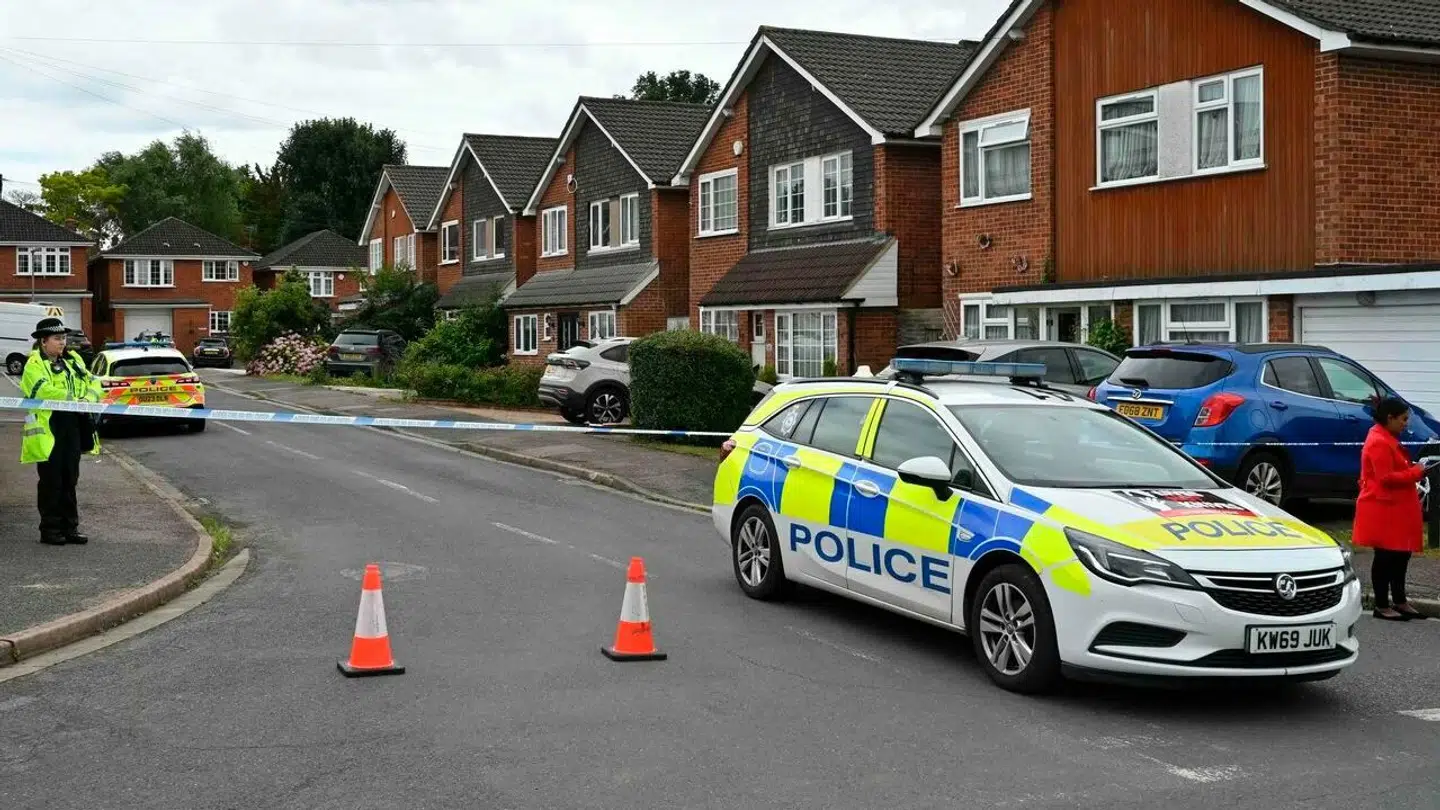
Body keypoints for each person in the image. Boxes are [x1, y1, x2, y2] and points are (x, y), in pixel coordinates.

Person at [1352, 396, 1439, 620]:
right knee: (1385, 557)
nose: (1406, 423)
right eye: (1403, 419)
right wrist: (1416, 472)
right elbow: (1386, 477)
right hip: (1383, 507)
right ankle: (1382, 604)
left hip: (1397, 506)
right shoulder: (1379, 441)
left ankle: (1400, 600)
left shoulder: (1387, 436)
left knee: (1401, 555)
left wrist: (1413, 468)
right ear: (1389, 418)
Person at [19, 317, 102, 546]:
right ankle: (50, 529)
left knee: (70, 478)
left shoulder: (73, 360)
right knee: (51, 480)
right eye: (57, 338)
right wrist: (73, 399)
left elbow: (94, 382)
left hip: (73, 425)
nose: (62, 342)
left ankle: (70, 528)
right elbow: (41, 390)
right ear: (43, 342)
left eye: (63, 338)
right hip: (50, 427)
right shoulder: (34, 364)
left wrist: (86, 399)